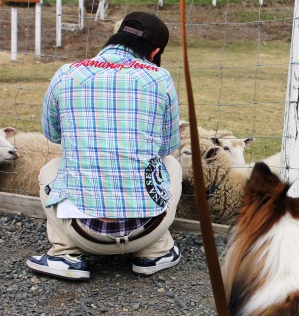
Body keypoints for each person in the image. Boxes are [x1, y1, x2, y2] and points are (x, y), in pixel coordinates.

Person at [26, 12, 182, 280]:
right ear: (155, 51)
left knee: (52, 167)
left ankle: (65, 253)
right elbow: (167, 145)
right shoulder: (160, 79)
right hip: (147, 229)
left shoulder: (67, 74)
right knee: (171, 164)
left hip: (82, 232)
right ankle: (155, 252)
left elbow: (52, 134)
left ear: (115, 38)